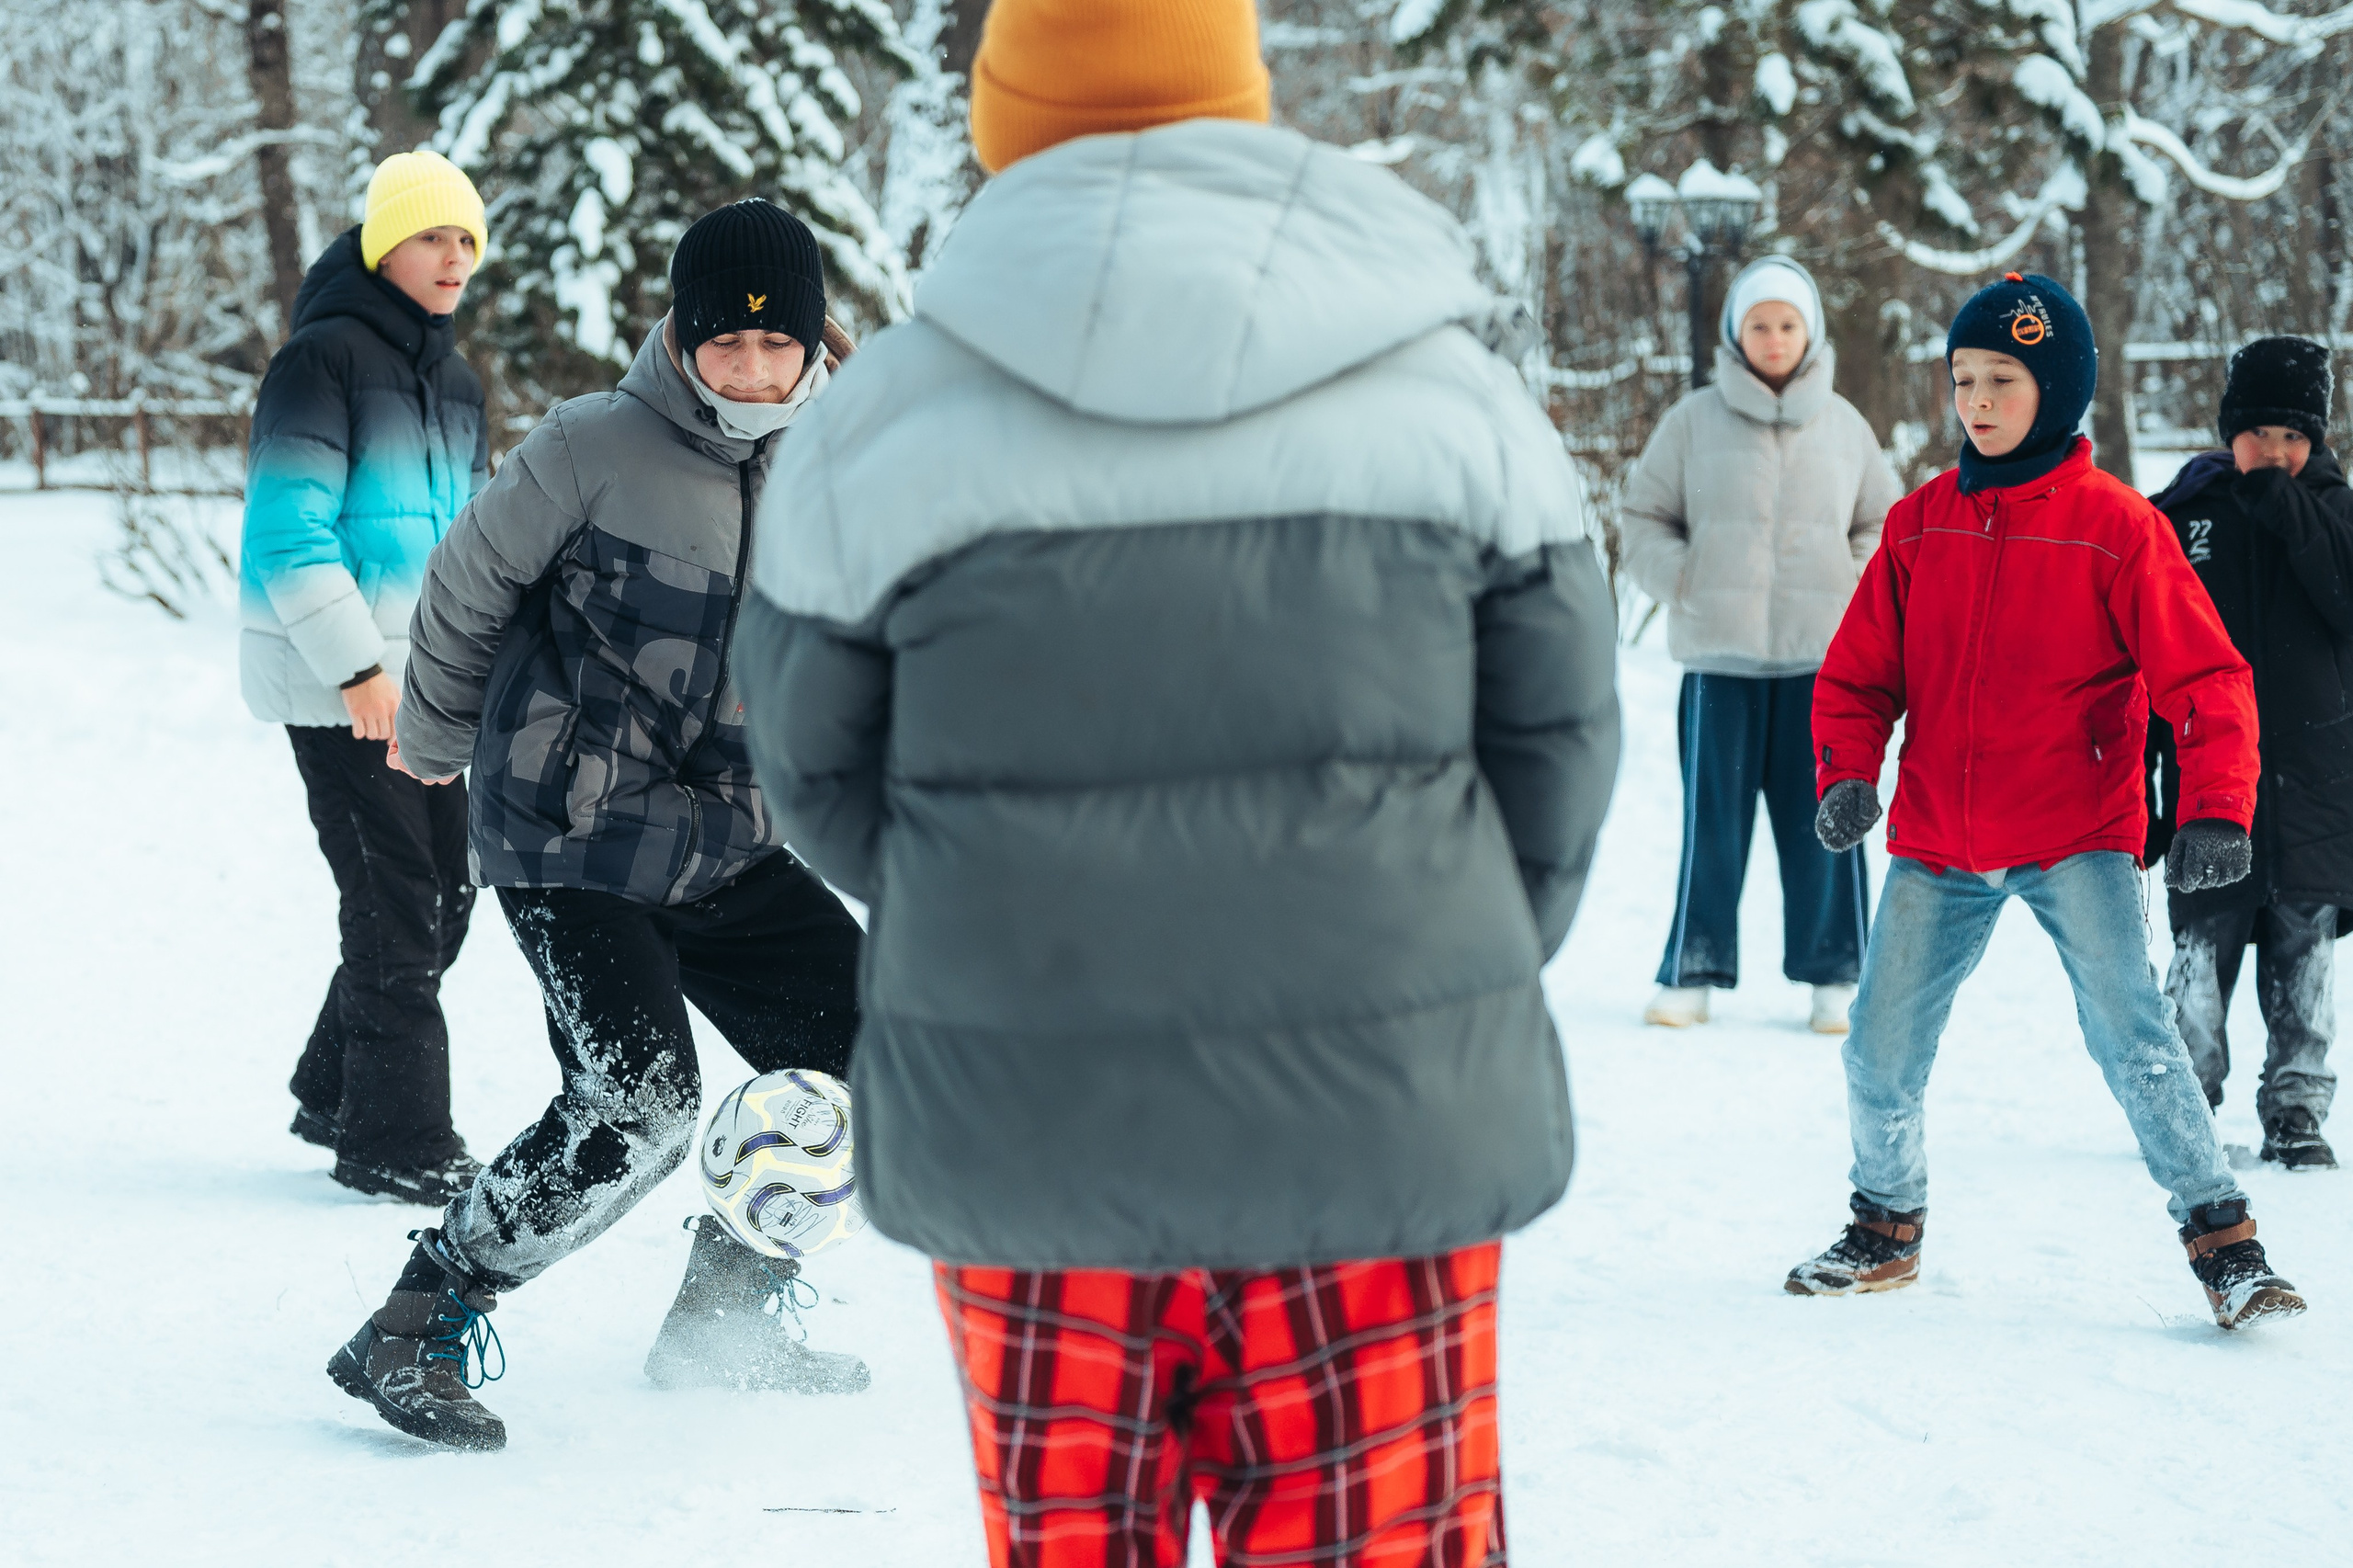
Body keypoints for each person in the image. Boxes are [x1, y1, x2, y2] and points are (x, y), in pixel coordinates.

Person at [734, 2, 1621, 1562]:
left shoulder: (872, 427)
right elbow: (1555, 753)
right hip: (1377, 1152)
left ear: (1001, 125)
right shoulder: (1453, 398)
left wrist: (998, 905)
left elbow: (819, 781)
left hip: (1032, 1142)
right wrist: (1418, 966)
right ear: (1243, 98)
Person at [325, 199, 869, 1452]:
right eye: (722, 345)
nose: (747, 369)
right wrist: (441, 738)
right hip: (572, 835)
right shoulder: (592, 444)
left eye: (772, 347)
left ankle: (724, 1311)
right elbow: (468, 583)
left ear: (809, 346)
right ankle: (419, 1316)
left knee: (876, 1051)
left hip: (726, 839)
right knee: (638, 1104)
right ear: (681, 338)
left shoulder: (833, 474)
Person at [1790, 272, 2307, 1332]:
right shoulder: (1918, 524)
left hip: (2075, 832)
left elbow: (2206, 679)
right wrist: (1846, 770)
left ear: (2057, 387)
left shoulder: (2114, 527)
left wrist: (2216, 806)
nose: (1975, 399)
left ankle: (2227, 1244)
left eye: (2003, 379)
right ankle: (1885, 1223)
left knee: (2135, 1038)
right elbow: (1854, 676)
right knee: (1877, 1046)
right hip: (1938, 835)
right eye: (1963, 378)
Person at [240, 150, 489, 1204]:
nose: (456, 257)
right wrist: (356, 670)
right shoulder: (321, 361)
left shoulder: (456, 377)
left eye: (469, 239)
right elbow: (285, 535)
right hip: (339, 686)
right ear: (385, 242)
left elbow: (481, 545)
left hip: (425, 688)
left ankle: (336, 1084)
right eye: (435, 236)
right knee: (396, 904)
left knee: (452, 898)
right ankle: (397, 1139)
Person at [1620, 256, 1900, 1035]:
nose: (1774, 338)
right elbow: (1642, 518)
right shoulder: (1692, 421)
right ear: (1736, 335)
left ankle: (1838, 977)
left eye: (1787, 323)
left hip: (1822, 669)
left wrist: (1847, 586)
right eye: (1759, 324)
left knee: (1827, 824)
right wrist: (1686, 581)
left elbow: (1884, 526)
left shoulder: (1844, 425)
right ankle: (1691, 971)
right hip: (1720, 665)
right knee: (1711, 825)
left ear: (1808, 332)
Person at [2148, 335, 2349, 1172]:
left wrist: (2287, 505)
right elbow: (2146, 650)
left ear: (2320, 442)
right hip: (2208, 781)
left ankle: (2298, 1108)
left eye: (2293, 438)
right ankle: (2183, 1099)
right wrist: (2149, 787)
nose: (2273, 453)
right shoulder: (2187, 514)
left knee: (2304, 955)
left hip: (2314, 787)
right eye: (2257, 435)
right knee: (2201, 949)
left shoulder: (2335, 512)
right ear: (2227, 430)